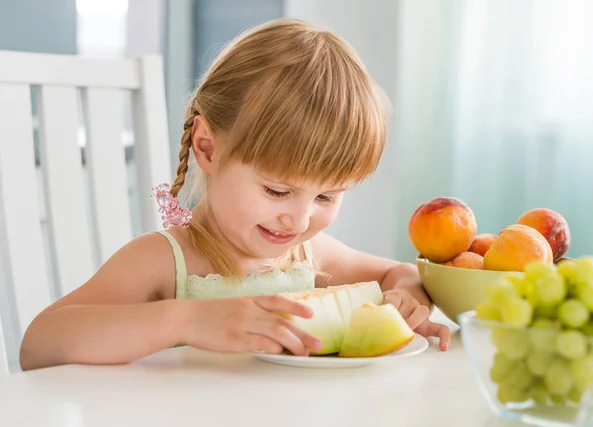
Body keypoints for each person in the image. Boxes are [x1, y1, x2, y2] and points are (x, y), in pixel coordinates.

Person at [19, 18, 450, 371]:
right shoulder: (165, 262)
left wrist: (408, 297)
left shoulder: (310, 256)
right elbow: (39, 343)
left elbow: (400, 273)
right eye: (277, 190)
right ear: (207, 148)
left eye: (327, 197)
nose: (299, 221)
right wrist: (185, 320)